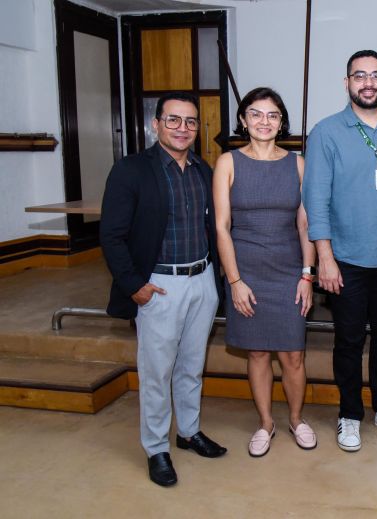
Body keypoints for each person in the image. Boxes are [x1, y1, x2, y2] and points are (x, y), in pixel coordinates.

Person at [100, 92, 227, 487]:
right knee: (157, 372)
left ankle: (188, 432)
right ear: (155, 124)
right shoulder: (131, 170)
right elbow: (112, 235)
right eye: (173, 120)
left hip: (202, 281)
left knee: (191, 365)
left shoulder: (204, 171)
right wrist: (135, 285)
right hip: (159, 285)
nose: (182, 128)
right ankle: (156, 448)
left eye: (190, 122)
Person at [302, 49, 377, 452]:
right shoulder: (325, 132)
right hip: (346, 259)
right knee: (348, 340)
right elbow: (315, 200)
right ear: (347, 82)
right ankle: (349, 414)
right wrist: (325, 258)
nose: (368, 82)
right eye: (359, 76)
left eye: (376, 76)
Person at [213, 87, 317, 457]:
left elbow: (306, 225)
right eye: (255, 114)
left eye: (272, 115)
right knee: (257, 353)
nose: (264, 122)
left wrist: (307, 275)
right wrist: (235, 282)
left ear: (281, 122)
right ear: (243, 120)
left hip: (289, 269)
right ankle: (265, 423)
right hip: (247, 271)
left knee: (293, 355)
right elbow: (222, 227)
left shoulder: (298, 164)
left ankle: (295, 419)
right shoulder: (228, 162)